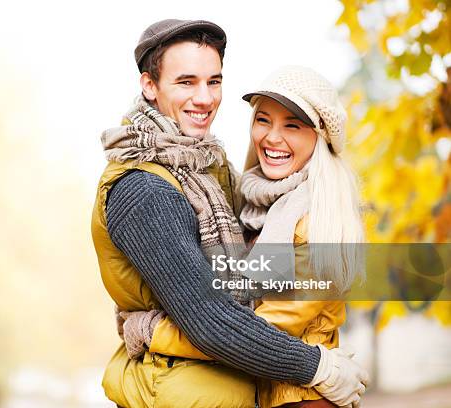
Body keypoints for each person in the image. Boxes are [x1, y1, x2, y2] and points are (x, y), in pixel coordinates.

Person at [91, 19, 368, 408]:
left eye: (214, 81)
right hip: (181, 392)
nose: (204, 98)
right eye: (186, 82)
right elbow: (212, 322)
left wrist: (151, 329)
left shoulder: (214, 172)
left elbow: (249, 319)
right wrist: (316, 365)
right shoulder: (146, 190)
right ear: (149, 85)